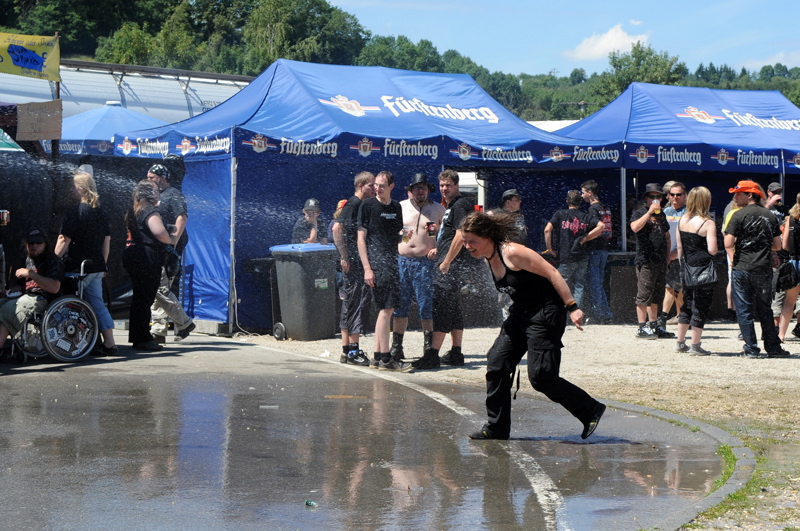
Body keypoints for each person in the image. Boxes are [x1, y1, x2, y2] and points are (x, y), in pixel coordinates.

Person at [460, 211, 606, 441]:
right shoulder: (487, 256)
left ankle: (590, 409)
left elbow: (553, 273)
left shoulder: (512, 252)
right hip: (520, 314)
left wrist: (572, 307)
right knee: (497, 365)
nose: (467, 246)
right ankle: (496, 428)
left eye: (472, 241)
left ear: (487, 236)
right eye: (464, 241)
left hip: (546, 313)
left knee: (541, 377)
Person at [413, 169, 474, 370]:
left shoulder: (461, 205)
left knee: (441, 308)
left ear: (456, 185)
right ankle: (456, 352)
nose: (444, 189)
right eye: (441, 185)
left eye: (448, 185)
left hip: (451, 265)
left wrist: (447, 260)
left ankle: (432, 354)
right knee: (454, 307)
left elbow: (460, 234)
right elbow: (448, 236)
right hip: (448, 261)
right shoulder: (451, 206)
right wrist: (440, 249)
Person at [54, 172, 118, 356]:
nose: (72, 190)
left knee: (70, 305)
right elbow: (106, 243)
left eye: (74, 186)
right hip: (96, 266)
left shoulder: (76, 211)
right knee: (97, 304)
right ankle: (109, 343)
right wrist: (102, 265)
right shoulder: (101, 212)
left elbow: (63, 240)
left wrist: (53, 261)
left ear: (80, 189)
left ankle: (73, 341)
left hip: (77, 268)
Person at [724, 180, 789, 359]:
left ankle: (751, 348)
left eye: (739, 193)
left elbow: (728, 242)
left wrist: (732, 260)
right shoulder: (770, 216)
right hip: (763, 268)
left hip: (742, 267)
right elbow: (778, 245)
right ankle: (773, 348)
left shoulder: (737, 215)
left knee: (744, 309)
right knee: (765, 309)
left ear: (750, 195)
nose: (735, 197)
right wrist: (766, 250)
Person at [357, 170, 411, 371]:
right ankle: (386, 358)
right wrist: (367, 268)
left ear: (391, 187)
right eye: (375, 185)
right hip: (376, 262)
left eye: (381, 185)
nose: (377, 188)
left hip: (391, 260)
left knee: (385, 309)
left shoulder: (396, 206)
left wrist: (406, 237)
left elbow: (397, 238)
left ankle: (378, 357)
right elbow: (361, 239)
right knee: (387, 309)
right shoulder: (368, 205)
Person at [390, 173, 445, 360]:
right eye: (416, 188)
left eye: (423, 188)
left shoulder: (438, 209)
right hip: (402, 261)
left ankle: (429, 349)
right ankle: (397, 346)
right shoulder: (400, 207)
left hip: (425, 264)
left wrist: (438, 249)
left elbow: (446, 236)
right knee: (400, 306)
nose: (420, 191)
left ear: (428, 190)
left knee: (426, 306)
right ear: (410, 191)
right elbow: (394, 233)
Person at [123, 180, 180, 351]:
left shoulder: (135, 209)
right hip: (147, 258)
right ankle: (143, 339)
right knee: (145, 299)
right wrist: (170, 239)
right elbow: (158, 232)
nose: (158, 194)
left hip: (134, 256)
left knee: (139, 299)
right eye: (155, 191)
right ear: (149, 194)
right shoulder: (149, 210)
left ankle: (138, 336)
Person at [146, 164, 195, 343]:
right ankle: (158, 332)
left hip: (169, 250)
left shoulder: (173, 194)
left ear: (162, 177)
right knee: (159, 288)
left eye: (152, 178)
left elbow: (182, 216)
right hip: (160, 248)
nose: (150, 181)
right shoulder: (157, 196)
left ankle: (184, 323)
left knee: (161, 288)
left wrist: (173, 241)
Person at [332, 172, 375, 366]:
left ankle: (346, 350)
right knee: (356, 303)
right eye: (370, 185)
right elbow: (336, 229)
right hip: (355, 264)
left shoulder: (358, 204)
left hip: (355, 262)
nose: (374, 189)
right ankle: (354, 351)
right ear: (360, 185)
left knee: (349, 303)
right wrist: (344, 255)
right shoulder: (354, 204)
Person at [0, 228, 64, 351]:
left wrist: (31, 274)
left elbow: (54, 287)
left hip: (44, 298)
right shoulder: (27, 259)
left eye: (38, 243)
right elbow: (22, 286)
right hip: (26, 295)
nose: (34, 246)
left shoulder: (52, 261)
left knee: (9, 310)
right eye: (31, 243)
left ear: (45, 244)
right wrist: (9, 292)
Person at [675, 187, 717, 355]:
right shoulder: (708, 223)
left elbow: (679, 248)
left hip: (687, 267)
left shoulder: (682, 220)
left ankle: (680, 342)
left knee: (687, 304)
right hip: (703, 269)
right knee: (701, 305)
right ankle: (695, 345)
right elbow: (713, 249)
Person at [544, 190, 603, 309]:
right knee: (579, 285)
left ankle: (557, 310)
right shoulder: (585, 216)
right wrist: (586, 238)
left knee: (560, 284)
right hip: (582, 256)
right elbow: (601, 226)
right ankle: (575, 312)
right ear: (580, 202)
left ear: (567, 201)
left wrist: (549, 249)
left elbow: (547, 230)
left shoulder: (560, 214)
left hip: (566, 256)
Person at [630, 183, 675, 340]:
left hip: (660, 260)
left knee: (657, 295)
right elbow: (634, 228)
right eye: (652, 197)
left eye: (658, 197)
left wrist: (668, 255)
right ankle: (641, 327)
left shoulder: (661, 214)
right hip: (646, 260)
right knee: (644, 294)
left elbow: (667, 235)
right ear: (646, 198)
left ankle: (654, 325)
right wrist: (649, 213)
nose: (655, 200)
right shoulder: (639, 213)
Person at [580, 179, 614, 323]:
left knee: (594, 283)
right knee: (599, 283)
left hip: (595, 249)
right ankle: (605, 313)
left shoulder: (592, 209)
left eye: (583, 193)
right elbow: (609, 230)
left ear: (590, 193)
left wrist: (584, 239)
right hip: (605, 249)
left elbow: (599, 228)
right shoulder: (605, 207)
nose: (582, 196)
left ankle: (598, 314)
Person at [660, 181, 687, 329]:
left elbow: (688, 237)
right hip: (667, 255)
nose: (675, 197)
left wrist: (675, 253)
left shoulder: (688, 212)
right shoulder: (665, 212)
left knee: (672, 286)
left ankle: (663, 317)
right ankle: (683, 315)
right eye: (672, 194)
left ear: (685, 196)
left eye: (679, 194)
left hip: (681, 256)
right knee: (676, 288)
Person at [777, 192, 800, 342]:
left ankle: (781, 335)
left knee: (789, 302)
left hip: (794, 262)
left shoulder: (790, 220)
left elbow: (784, 245)